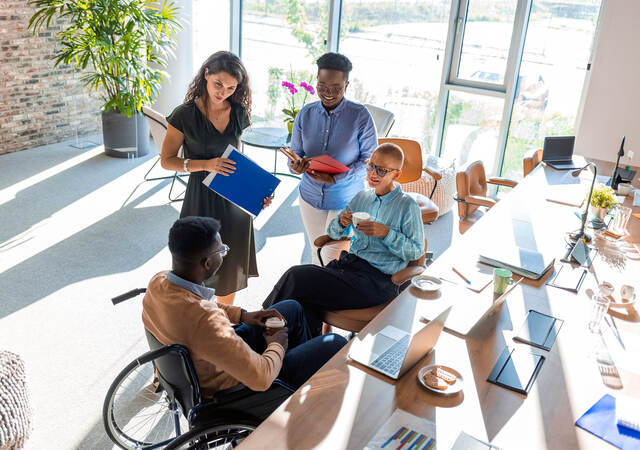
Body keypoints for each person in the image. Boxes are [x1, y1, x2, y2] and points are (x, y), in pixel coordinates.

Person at [142, 216, 347, 404]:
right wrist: (276, 346)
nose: (224, 254)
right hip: (233, 389)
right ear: (207, 263)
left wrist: (242, 316)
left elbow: (196, 303)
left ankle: (297, 376)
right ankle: (291, 385)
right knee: (335, 343)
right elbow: (262, 379)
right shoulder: (206, 320)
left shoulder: (158, 282)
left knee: (290, 308)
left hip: (200, 359)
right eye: (221, 250)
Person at [264, 143, 424, 336]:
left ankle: (258, 327)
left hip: (376, 281)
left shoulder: (407, 206)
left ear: (396, 175)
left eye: (382, 170)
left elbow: (416, 251)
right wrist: (340, 222)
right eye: (371, 166)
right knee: (304, 300)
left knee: (297, 276)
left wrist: (385, 233)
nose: (373, 173)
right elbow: (334, 232)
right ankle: (303, 351)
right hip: (348, 268)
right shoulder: (362, 197)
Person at [161, 51, 269, 305]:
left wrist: (256, 194)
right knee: (195, 264)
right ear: (206, 74)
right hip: (200, 199)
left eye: (231, 88)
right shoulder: (184, 115)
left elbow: (238, 160)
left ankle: (224, 324)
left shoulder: (239, 113)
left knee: (229, 268)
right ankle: (197, 321)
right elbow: (167, 160)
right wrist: (206, 164)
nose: (223, 92)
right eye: (218, 84)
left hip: (232, 199)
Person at [287, 52, 378, 265]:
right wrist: (295, 165)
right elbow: (295, 154)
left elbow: (370, 162)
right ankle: (313, 295)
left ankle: (330, 296)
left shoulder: (360, 116)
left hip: (345, 198)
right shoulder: (305, 114)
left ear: (346, 84)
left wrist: (336, 179)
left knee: (332, 256)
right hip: (309, 196)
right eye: (322, 86)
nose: (328, 93)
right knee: (315, 250)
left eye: (336, 88)